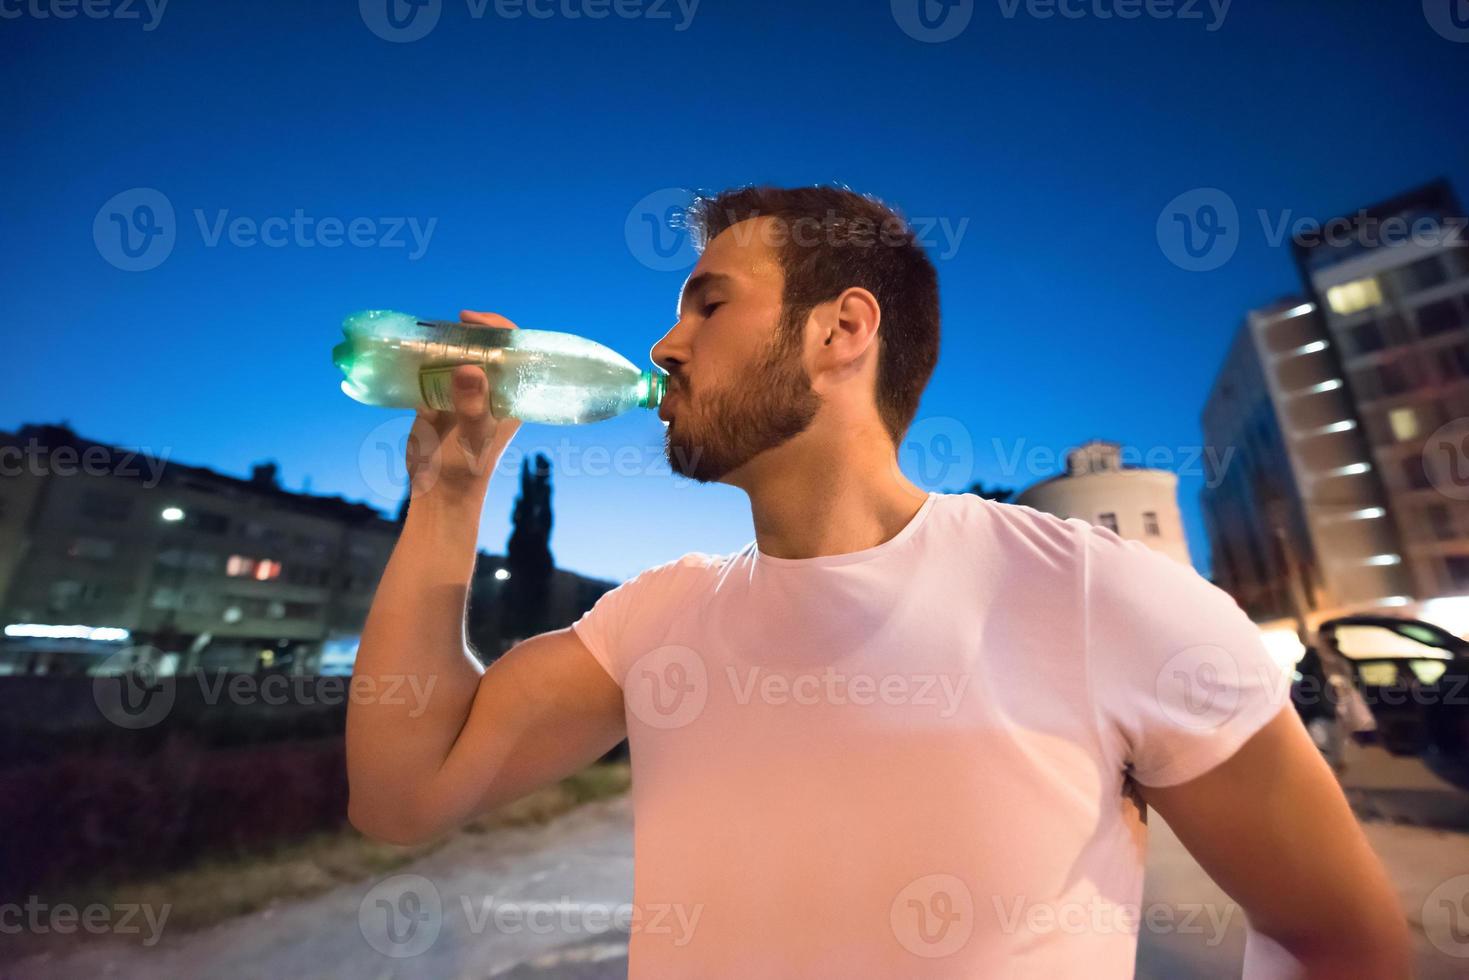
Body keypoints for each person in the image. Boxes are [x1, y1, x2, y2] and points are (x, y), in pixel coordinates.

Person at [346, 186, 1411, 977]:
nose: (664, 345)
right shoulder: (658, 614)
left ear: (840, 331)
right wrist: (446, 496)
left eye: (706, 305)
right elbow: (403, 792)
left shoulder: (1096, 596)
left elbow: (1342, 939)